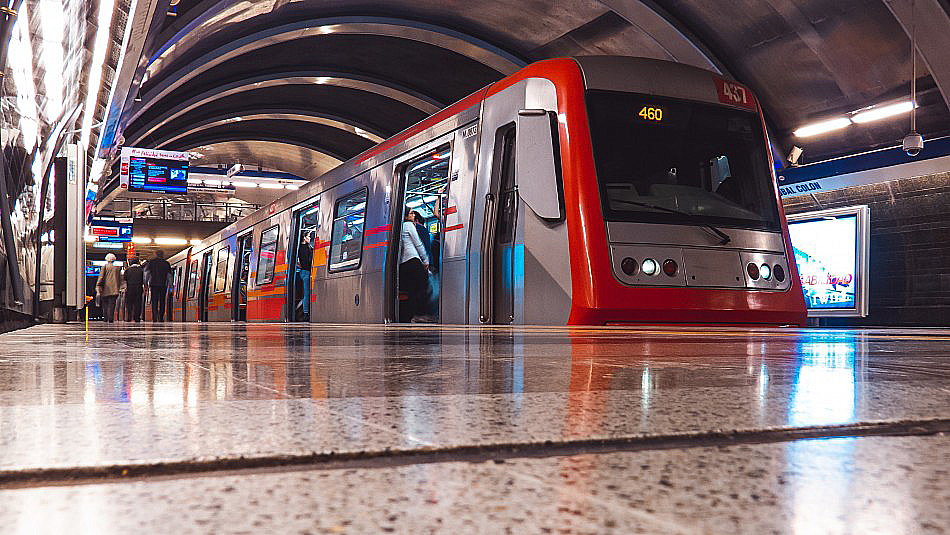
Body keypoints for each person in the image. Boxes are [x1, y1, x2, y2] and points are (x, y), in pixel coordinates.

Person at [399, 210, 430, 322]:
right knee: (422, 288)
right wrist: (425, 260)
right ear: (406, 215)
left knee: (410, 291)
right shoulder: (408, 225)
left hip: (403, 264)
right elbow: (417, 243)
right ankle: (420, 313)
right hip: (413, 261)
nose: (413, 215)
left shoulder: (400, 226)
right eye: (411, 213)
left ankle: (412, 315)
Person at [145, 250, 172, 322]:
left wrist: (145, 284)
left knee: (154, 301)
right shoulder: (166, 263)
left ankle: (154, 317)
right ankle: (161, 317)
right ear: (162, 255)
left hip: (153, 285)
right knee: (162, 301)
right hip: (163, 285)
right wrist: (170, 285)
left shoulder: (151, 263)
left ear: (156, 254)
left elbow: (147, 274)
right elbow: (169, 276)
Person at [96, 253, 122, 323]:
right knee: (112, 304)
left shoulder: (104, 267)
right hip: (114, 289)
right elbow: (120, 279)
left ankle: (105, 318)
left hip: (105, 289)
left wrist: (98, 285)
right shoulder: (117, 268)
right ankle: (111, 318)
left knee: (105, 304)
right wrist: (119, 287)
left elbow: (101, 277)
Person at [296, 232, 313, 320]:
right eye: (308, 237)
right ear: (304, 238)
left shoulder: (299, 248)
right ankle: (306, 313)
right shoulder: (307, 248)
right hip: (307, 272)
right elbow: (309, 261)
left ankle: (304, 311)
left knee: (305, 294)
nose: (310, 238)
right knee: (307, 294)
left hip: (302, 272)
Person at [124, 258, 145, 322]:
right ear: (138, 263)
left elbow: (125, 279)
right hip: (138, 287)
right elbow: (143, 279)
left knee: (129, 303)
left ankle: (129, 317)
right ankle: (137, 317)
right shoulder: (141, 270)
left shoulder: (127, 270)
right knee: (138, 303)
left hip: (130, 288)